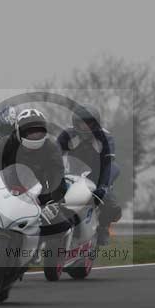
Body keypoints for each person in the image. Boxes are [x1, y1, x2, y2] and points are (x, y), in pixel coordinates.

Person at [0, 108, 68, 222]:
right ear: (18, 131)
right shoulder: (5, 144)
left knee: (63, 225)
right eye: (29, 131)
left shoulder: (51, 149)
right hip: (2, 195)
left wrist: (53, 201)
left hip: (37, 201)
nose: (34, 135)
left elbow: (58, 178)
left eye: (38, 131)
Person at [57, 104, 122, 245]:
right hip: (71, 173)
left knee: (112, 204)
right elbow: (54, 158)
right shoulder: (67, 135)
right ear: (75, 122)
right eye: (81, 122)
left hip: (97, 175)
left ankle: (103, 227)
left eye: (89, 123)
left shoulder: (106, 137)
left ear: (96, 123)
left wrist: (103, 186)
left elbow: (108, 163)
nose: (85, 126)